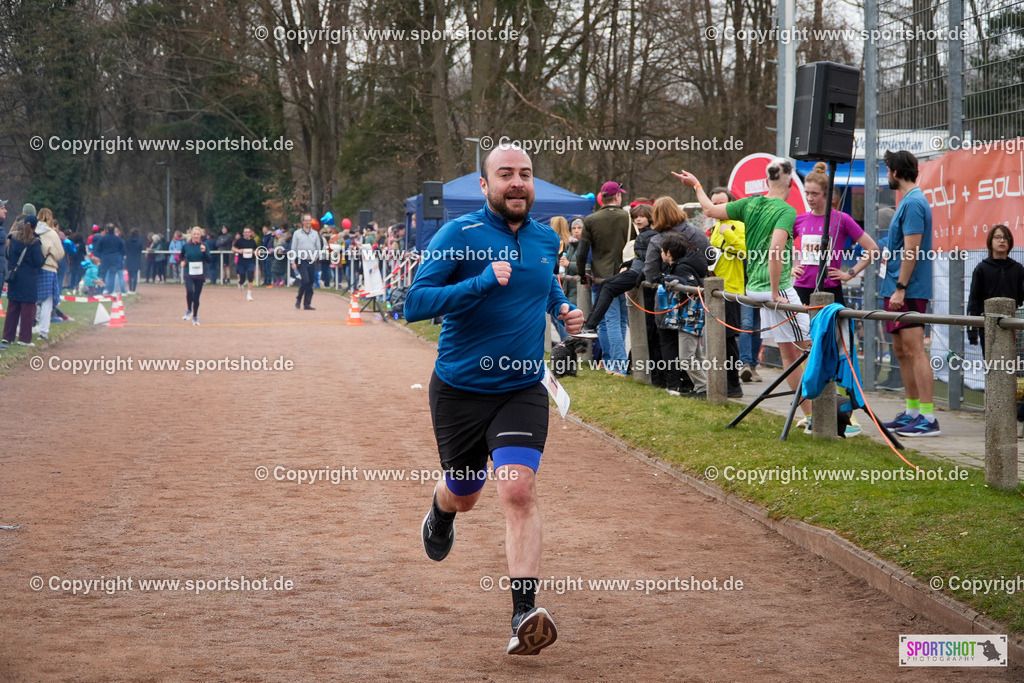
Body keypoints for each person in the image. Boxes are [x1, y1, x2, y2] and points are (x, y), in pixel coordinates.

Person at [405, 144, 582, 656]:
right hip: (460, 390)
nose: (517, 182)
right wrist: (481, 284)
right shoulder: (457, 234)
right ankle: (441, 512)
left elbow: (543, 284)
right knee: (466, 492)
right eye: (505, 174)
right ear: (485, 185)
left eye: (525, 174)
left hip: (522, 387)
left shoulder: (545, 238)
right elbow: (414, 303)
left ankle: (523, 614)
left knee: (518, 489)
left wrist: (563, 307)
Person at [676, 160, 814, 427]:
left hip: (754, 289)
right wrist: (775, 291)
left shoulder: (750, 203)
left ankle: (811, 417)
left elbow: (709, 209)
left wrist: (697, 185)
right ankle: (827, 415)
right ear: (790, 182)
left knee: (789, 355)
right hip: (776, 290)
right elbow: (776, 250)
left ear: (767, 180)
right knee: (813, 348)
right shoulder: (786, 210)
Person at [879, 150, 939, 437]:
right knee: (901, 351)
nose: (886, 174)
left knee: (915, 350)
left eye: (887, 169)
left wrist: (901, 288)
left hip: (908, 289)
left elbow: (912, 250)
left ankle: (928, 417)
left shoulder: (914, 202)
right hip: (894, 287)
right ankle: (913, 411)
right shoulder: (906, 201)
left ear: (895, 172)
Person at [792, 163, 880, 306]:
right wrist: (790, 269)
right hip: (802, 288)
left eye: (814, 194)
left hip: (830, 288)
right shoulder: (800, 220)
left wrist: (850, 273)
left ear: (827, 194)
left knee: (834, 322)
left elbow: (873, 249)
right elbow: (777, 245)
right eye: (807, 193)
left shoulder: (842, 219)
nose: (809, 198)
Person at [576, 181, 631, 375]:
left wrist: (582, 274)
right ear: (617, 196)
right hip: (625, 274)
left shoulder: (591, 220)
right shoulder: (627, 217)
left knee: (609, 321)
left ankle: (613, 362)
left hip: (601, 276)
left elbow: (582, 252)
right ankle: (618, 364)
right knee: (619, 321)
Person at [657, 231, 709, 397]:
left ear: (668, 253)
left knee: (686, 358)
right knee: (697, 355)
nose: (660, 254)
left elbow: (690, 285)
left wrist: (677, 281)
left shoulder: (682, 268)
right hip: (687, 319)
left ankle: (703, 388)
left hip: (689, 320)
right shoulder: (679, 266)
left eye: (662, 251)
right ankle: (707, 387)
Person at [707, 188, 746, 398]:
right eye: (714, 203)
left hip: (731, 289)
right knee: (718, 337)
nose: (717, 207)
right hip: (715, 289)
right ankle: (721, 382)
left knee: (728, 338)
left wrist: (728, 233)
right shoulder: (715, 227)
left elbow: (745, 251)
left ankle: (734, 384)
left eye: (721, 203)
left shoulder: (739, 225)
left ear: (731, 203)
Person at [967, 225, 1024, 353]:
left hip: (1013, 325)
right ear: (990, 242)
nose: (1002, 241)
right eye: (997, 237)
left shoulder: (1018, 269)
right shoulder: (981, 269)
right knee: (992, 363)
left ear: (1010, 242)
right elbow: (974, 301)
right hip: (988, 327)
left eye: (1005, 238)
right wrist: (972, 333)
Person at [3, 216, 45, 346]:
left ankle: (7, 337)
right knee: (27, 309)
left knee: (12, 307)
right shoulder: (34, 242)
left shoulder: (12, 237)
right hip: (29, 280)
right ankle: (24, 339)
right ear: (34, 226)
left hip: (14, 278)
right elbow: (38, 261)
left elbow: (7, 254)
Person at [32, 208, 65, 341]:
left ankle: (28, 326)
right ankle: (43, 331)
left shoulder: (33, 231)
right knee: (47, 301)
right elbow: (60, 253)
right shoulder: (52, 233)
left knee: (32, 300)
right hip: (49, 268)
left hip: (34, 268)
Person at [179, 226, 210, 326]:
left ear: (201, 235)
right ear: (191, 235)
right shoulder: (186, 246)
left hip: (200, 274)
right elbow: (181, 256)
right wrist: (183, 261)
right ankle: (189, 310)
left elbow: (209, 260)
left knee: (196, 297)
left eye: (198, 234)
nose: (196, 236)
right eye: (194, 234)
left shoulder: (204, 245)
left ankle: (195, 317)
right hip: (189, 272)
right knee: (189, 291)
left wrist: (204, 252)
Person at [291, 214, 322, 309]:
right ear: (303, 222)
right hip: (301, 260)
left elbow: (318, 247)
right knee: (305, 280)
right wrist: (293, 261)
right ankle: (299, 298)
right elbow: (293, 248)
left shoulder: (315, 233)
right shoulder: (297, 233)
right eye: (306, 220)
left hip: (311, 260)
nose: (308, 222)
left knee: (311, 281)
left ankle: (307, 304)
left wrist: (316, 256)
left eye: (309, 220)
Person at [233, 226, 258, 301]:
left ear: (251, 233)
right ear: (243, 233)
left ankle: (249, 294)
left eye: (248, 232)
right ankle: (240, 283)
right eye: (245, 232)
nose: (247, 234)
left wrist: (257, 252)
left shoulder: (253, 241)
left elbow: (256, 250)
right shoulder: (239, 241)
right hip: (241, 262)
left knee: (250, 275)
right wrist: (238, 251)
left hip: (250, 261)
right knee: (242, 277)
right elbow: (233, 248)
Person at [124, 229, 145, 293]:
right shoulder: (140, 241)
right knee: (135, 275)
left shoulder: (127, 241)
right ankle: (134, 289)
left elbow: (125, 249)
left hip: (129, 259)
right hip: (137, 259)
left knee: (130, 275)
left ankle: (130, 289)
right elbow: (141, 249)